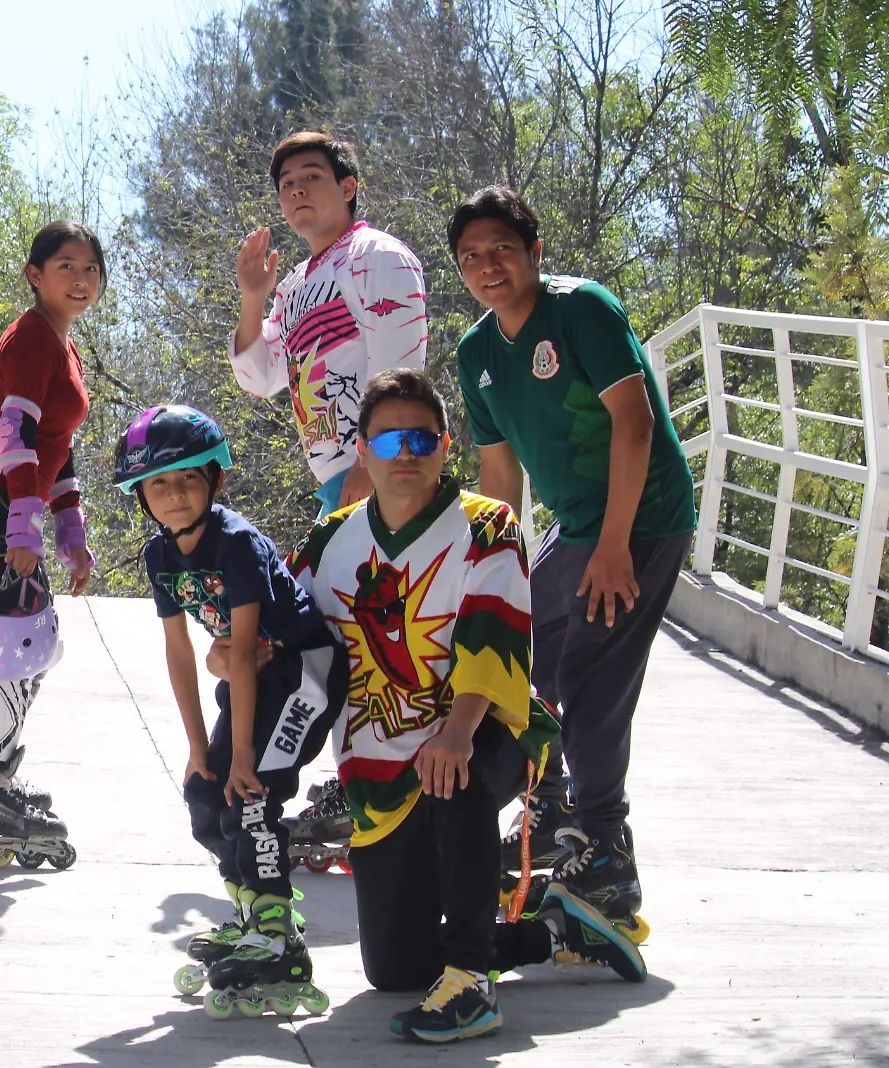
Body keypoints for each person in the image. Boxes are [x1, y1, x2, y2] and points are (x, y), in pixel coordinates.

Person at [288, 369, 642, 1044]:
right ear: (361, 451)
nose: (406, 453)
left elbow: (490, 631)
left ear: (446, 445)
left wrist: (454, 732)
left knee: (457, 773)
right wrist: (233, 654)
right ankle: (556, 931)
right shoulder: (331, 540)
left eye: (421, 438)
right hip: (378, 767)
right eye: (388, 440)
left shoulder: (486, 524)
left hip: (488, 730)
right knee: (394, 967)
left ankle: (473, 988)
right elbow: (281, 631)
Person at [450, 186, 696, 925]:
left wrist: (616, 546)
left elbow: (635, 422)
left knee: (592, 675)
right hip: (578, 525)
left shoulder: (582, 309)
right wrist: (494, 577)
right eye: (470, 257)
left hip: (641, 519)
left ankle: (606, 851)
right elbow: (500, 480)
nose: (487, 266)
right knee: (523, 656)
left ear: (534, 249)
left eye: (501, 249)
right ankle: (551, 805)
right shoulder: (477, 352)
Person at [116, 404, 346, 1018]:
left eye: (188, 478)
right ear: (141, 494)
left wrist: (243, 756)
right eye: (158, 484)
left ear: (214, 480)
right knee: (205, 797)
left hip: (303, 674)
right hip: (252, 681)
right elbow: (181, 655)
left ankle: (278, 935)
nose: (173, 495)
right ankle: (249, 914)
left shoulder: (237, 543)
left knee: (251, 795)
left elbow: (242, 651)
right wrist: (199, 751)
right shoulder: (160, 557)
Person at [0, 220, 99, 849]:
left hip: (7, 501)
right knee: (13, 642)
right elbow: (12, 435)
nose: (80, 279)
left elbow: (56, 448)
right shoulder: (31, 338)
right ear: (36, 275)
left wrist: (69, 529)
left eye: (89, 268)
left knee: (28, 643)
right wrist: (22, 523)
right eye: (66, 266)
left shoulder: (62, 345)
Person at [229, 131, 430, 521]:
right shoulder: (291, 287)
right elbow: (260, 379)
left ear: (348, 187)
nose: (297, 190)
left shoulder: (377, 253)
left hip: (389, 469)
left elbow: (401, 370)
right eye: (287, 184)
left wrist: (374, 458)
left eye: (312, 177)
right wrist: (253, 298)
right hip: (338, 485)